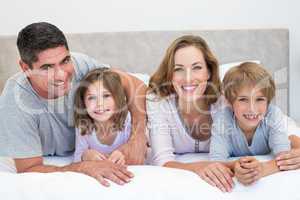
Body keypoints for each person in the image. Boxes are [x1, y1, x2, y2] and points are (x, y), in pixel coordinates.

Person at [0, 22, 147, 187]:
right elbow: (29, 169)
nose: (61, 75)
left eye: (65, 61)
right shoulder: (15, 102)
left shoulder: (79, 64)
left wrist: (138, 137)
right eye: (47, 67)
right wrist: (83, 166)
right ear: (25, 68)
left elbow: (135, 84)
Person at [146, 35, 234, 192]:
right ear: (170, 75)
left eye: (197, 67)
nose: (188, 78)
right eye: (178, 69)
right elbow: (163, 163)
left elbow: (272, 121)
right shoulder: (158, 101)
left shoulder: (224, 100)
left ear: (208, 72)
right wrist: (198, 167)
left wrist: (294, 146)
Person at [209, 62, 291, 185]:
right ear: (230, 102)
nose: (252, 109)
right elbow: (216, 163)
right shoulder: (223, 119)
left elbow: (285, 157)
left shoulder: (272, 114)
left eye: (259, 99)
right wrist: (235, 168)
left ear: (268, 102)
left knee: (293, 138)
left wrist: (262, 169)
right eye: (243, 99)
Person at [73, 68, 131, 165]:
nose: (100, 104)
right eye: (92, 97)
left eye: (106, 96)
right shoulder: (83, 125)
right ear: (83, 103)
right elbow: (77, 157)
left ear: (118, 97)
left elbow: (144, 151)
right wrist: (85, 155)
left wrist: (126, 155)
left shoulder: (128, 120)